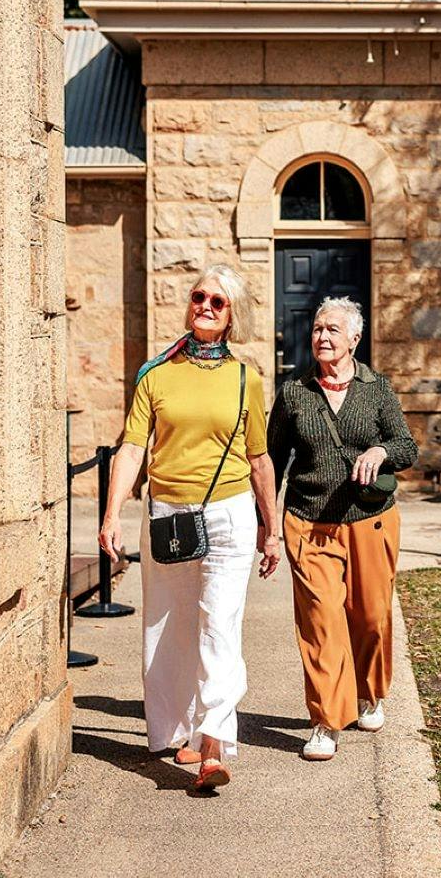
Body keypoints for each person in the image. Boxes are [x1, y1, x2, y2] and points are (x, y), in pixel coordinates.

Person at [97, 264, 279, 791]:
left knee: (219, 626)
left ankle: (214, 744)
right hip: (169, 517)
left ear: (231, 316)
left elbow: (260, 458)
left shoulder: (246, 379)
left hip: (229, 514)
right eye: (199, 296)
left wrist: (271, 529)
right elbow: (132, 448)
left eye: (217, 301)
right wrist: (112, 515)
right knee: (169, 630)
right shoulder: (156, 375)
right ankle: (181, 734)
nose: (204, 305)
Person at [268, 296, 417, 762]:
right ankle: (325, 721)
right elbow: (271, 461)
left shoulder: (376, 388)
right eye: (317, 329)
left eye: (333, 330)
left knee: (372, 616)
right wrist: (268, 526)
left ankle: (370, 692)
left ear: (354, 339)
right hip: (308, 521)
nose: (322, 337)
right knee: (321, 621)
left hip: (370, 522)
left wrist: (380, 453)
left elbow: (406, 445)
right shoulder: (295, 392)